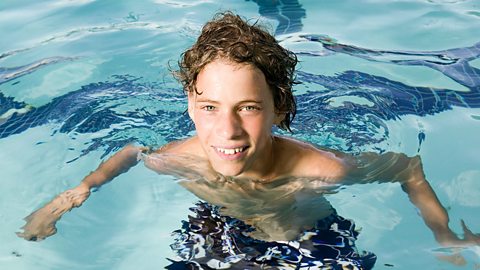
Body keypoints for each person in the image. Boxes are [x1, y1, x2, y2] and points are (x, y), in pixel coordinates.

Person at [17, 12, 479, 269]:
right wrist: (77, 191)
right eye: (210, 108)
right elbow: (133, 152)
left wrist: (441, 231)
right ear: (190, 107)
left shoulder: (323, 169)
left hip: (312, 239)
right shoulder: (178, 159)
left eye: (249, 108)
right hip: (216, 227)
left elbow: (405, 167)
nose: (228, 131)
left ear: (280, 107)